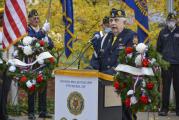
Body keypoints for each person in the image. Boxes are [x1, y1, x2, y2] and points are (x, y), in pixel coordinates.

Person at [89, 8, 137, 120]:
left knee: (124, 115)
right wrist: (91, 69)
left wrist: (111, 72)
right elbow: (96, 57)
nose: (113, 23)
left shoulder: (131, 36)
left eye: (116, 20)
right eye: (111, 20)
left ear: (124, 22)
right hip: (103, 83)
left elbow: (129, 60)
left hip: (122, 84)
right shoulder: (105, 37)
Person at [27, 9, 52, 120]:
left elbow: (51, 45)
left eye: (38, 18)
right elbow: (32, 41)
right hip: (33, 63)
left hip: (43, 63)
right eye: (34, 18)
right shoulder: (28, 29)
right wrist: (42, 32)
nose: (36, 20)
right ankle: (31, 112)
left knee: (43, 87)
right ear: (29, 19)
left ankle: (42, 111)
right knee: (32, 87)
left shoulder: (42, 30)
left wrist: (47, 39)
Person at [157, 13, 179, 116]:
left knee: (178, 87)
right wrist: (161, 61)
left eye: (173, 20)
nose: (171, 22)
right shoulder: (162, 32)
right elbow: (159, 49)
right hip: (166, 64)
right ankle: (164, 109)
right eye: (169, 20)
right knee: (165, 87)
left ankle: (178, 109)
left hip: (178, 64)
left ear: (176, 21)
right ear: (167, 21)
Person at [0, 8, 13, 120]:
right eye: (1, 18)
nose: (3, 20)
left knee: (5, 90)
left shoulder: (10, 32)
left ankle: (3, 113)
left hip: (8, 65)